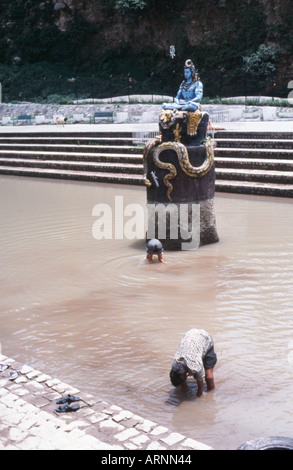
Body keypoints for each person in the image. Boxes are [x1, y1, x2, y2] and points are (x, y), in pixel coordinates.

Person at [170, 328, 217, 397]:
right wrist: (184, 386)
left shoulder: (196, 366)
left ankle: (211, 394)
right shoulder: (175, 363)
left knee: (209, 377)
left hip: (204, 338)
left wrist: (200, 394)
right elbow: (178, 375)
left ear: (187, 373)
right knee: (182, 382)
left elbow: (200, 387)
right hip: (189, 336)